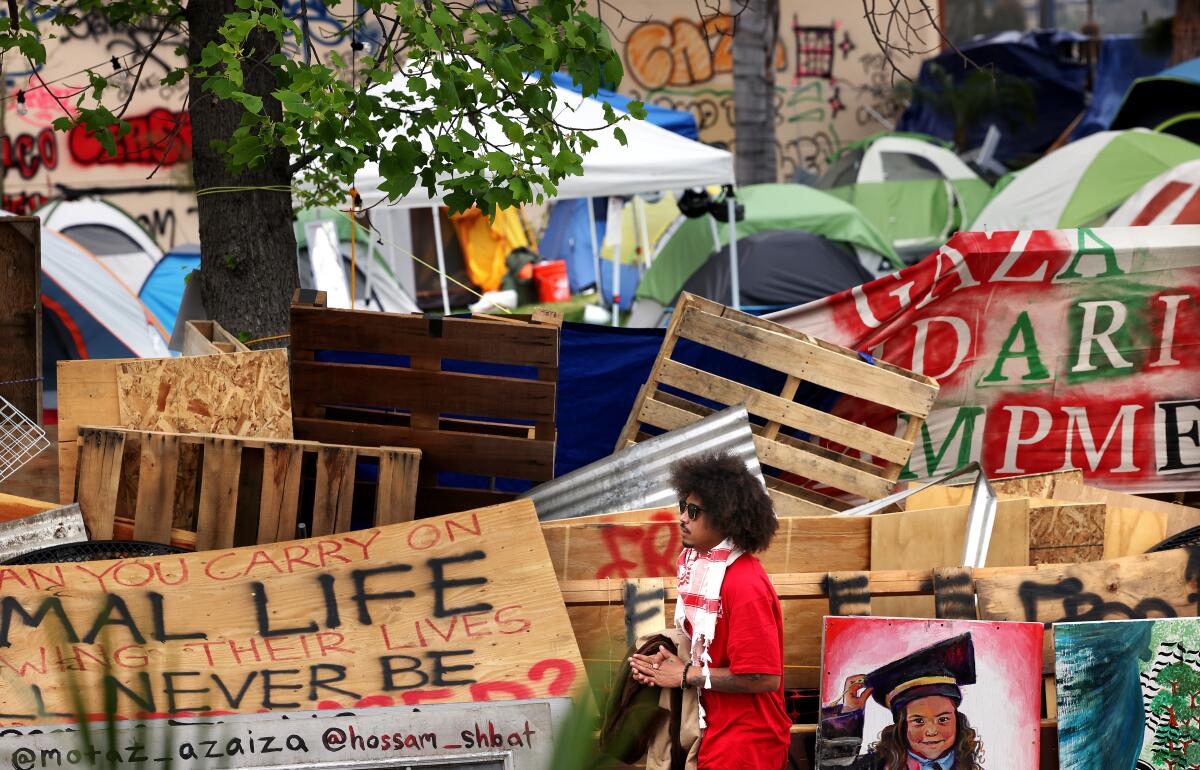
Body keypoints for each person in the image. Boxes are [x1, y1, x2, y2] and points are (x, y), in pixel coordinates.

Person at [627, 453, 791, 769]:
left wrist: (685, 675)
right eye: (682, 507)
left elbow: (763, 677)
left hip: (745, 742)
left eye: (694, 511)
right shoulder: (706, 572)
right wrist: (670, 663)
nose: (682, 518)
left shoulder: (743, 584)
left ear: (726, 516)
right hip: (714, 729)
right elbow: (712, 652)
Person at [818, 633, 985, 770]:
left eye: (943, 719)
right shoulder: (874, 766)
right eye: (918, 721)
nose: (932, 731)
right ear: (902, 725)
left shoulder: (968, 766)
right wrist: (848, 714)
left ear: (957, 720)